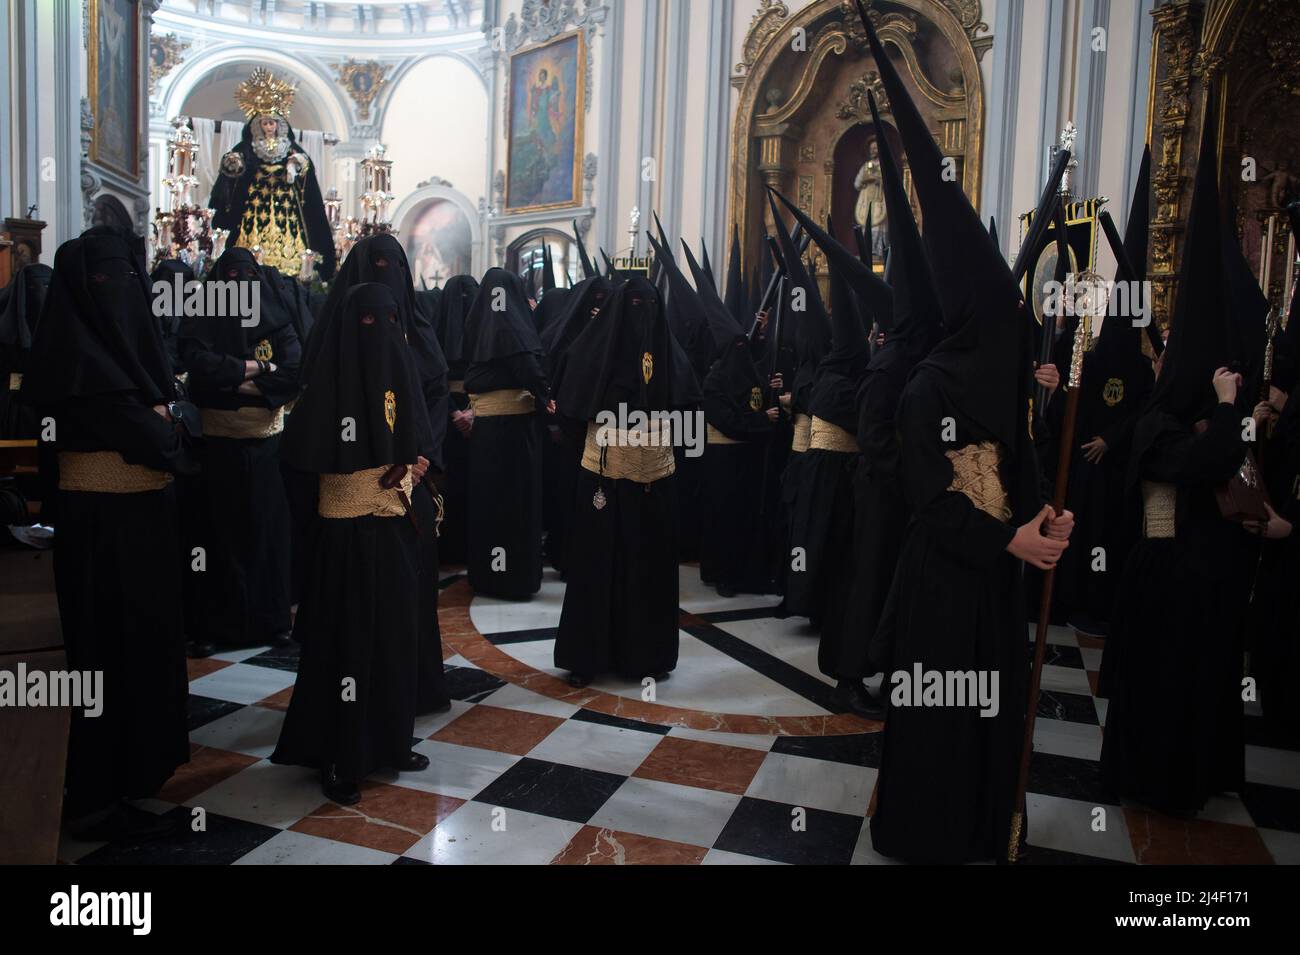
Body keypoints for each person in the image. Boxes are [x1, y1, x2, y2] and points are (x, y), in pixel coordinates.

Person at [856, 13, 1071, 863]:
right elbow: (932, 498)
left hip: (994, 580)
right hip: (945, 581)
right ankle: (926, 829)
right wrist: (1008, 536)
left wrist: (1045, 516)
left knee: (988, 707)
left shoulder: (995, 375)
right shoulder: (927, 385)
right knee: (941, 710)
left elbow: (1013, 462)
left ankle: (981, 823)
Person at [1099, 87, 1253, 815]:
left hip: (1194, 574)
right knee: (1165, 686)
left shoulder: (1173, 412)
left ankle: (1195, 771)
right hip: (1162, 577)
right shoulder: (1161, 424)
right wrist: (1224, 413)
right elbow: (1207, 466)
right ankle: (1158, 782)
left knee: (1199, 682)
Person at [25, 227, 196, 840]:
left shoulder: (126, 350)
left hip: (146, 527)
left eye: (126, 277)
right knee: (102, 656)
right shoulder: (75, 356)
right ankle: (94, 791)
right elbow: (166, 440)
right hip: (97, 532)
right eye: (104, 279)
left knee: (145, 652)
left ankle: (135, 774)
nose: (118, 291)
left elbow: (179, 426)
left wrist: (166, 419)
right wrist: (163, 420)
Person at [272, 283, 432, 805]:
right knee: (345, 642)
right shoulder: (326, 384)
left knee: (395, 634)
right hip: (342, 535)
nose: (380, 334)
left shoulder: (401, 371)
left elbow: (419, 441)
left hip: (393, 530)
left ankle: (390, 740)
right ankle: (337, 752)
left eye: (389, 322)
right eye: (368, 323)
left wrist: (415, 465)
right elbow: (300, 461)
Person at [304, 234, 451, 713]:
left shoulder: (416, 326)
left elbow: (432, 395)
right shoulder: (338, 331)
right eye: (377, 265)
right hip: (353, 489)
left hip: (413, 481)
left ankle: (411, 693)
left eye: (394, 266)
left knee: (405, 599)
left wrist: (420, 453)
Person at [552, 277, 697, 684]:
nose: (641, 314)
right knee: (597, 565)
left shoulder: (669, 351)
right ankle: (587, 657)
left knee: (648, 565)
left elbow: (688, 406)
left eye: (647, 305)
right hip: (603, 476)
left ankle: (647, 656)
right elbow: (569, 412)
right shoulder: (590, 350)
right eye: (633, 305)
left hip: (656, 478)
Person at [180, 247, 300, 651]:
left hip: (267, 446)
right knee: (218, 537)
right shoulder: (204, 319)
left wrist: (231, 378)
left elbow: (295, 370)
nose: (237, 284)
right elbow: (198, 366)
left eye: (244, 276)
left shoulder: (277, 320)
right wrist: (261, 369)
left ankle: (273, 621)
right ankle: (215, 628)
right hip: (218, 446)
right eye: (229, 277)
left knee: (267, 533)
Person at [461, 267, 550, 599]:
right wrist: (547, 399)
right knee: (515, 504)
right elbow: (530, 370)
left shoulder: (481, 321)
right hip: (513, 434)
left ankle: (489, 575)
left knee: (489, 502)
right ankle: (514, 578)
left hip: (487, 432)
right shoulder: (511, 327)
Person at [209, 68, 335, 280]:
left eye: (272, 122)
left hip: (285, 205)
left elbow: (305, 168)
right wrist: (234, 163)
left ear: (279, 124)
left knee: (290, 233)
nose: (269, 127)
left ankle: (293, 263)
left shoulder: (289, 146)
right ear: (258, 125)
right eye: (265, 123)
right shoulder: (249, 146)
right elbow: (234, 166)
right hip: (255, 203)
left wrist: (296, 165)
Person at [431, 274, 479, 565]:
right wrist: (456, 412)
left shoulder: (488, 331)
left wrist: (474, 410)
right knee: (447, 481)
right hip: (446, 417)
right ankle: (447, 546)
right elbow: (432, 377)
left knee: (474, 481)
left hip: (476, 415)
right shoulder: (434, 333)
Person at [0, 262, 53, 440]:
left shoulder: (64, 324)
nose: (41, 293)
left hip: (50, 405)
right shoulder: (5, 323)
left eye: (48, 286)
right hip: (10, 404)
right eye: (35, 286)